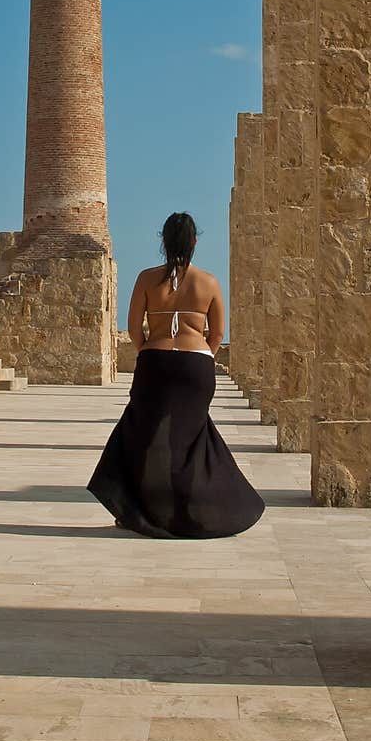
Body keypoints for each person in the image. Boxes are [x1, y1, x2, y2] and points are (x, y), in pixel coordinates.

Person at [87, 212, 265, 539]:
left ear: (163, 241)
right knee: (189, 438)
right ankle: (197, 509)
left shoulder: (145, 279)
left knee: (143, 434)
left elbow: (133, 328)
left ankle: (141, 508)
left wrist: (149, 353)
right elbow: (218, 333)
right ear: (194, 241)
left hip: (156, 360)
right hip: (195, 364)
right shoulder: (208, 282)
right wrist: (198, 358)